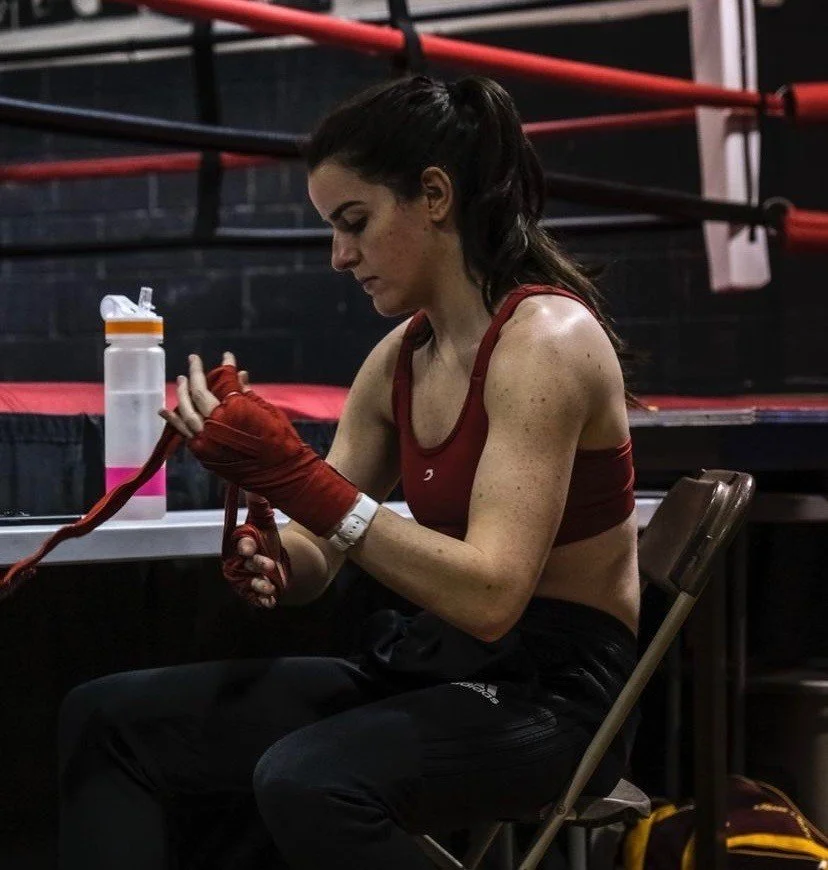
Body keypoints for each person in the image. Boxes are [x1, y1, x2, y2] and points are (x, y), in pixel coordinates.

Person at [58, 75, 640, 870]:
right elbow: (319, 554)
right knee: (106, 720)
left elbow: (492, 596)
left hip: (555, 696)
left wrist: (299, 481)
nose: (340, 256)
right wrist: (272, 551)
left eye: (355, 223)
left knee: (310, 780)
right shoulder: (399, 359)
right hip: (437, 664)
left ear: (434, 195)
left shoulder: (546, 341)